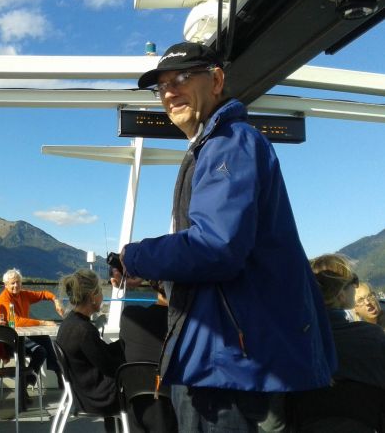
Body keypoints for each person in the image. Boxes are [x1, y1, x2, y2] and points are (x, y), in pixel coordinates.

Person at [118, 41, 337, 432]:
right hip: (227, 356)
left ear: (216, 80)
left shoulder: (229, 144)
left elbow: (215, 247)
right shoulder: (217, 144)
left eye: (182, 78)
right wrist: (153, 274)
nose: (169, 92)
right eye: (161, 86)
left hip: (228, 363)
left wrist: (133, 256)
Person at [287, 254, 385, 431]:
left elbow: (276, 414)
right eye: (353, 281)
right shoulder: (371, 337)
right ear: (341, 295)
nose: (356, 286)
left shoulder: (294, 344)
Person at [56, 269, 124, 433]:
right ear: (93, 296)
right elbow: (109, 367)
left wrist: (123, 343)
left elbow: (100, 353)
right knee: (139, 385)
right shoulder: (84, 330)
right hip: (95, 397)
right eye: (100, 291)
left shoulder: (69, 322)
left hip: (80, 390)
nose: (102, 296)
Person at [119, 281, 177, 433]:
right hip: (172, 412)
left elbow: (122, 349)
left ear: (154, 286)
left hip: (135, 410)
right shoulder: (181, 325)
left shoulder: (129, 316)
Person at [0, 268, 64, 387]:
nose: (16, 285)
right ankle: (26, 384)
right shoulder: (4, 298)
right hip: (7, 341)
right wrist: (43, 322)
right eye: (12, 283)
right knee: (41, 350)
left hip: (20, 336)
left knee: (45, 341)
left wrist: (55, 300)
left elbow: (43, 294)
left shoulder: (23, 294)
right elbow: (16, 322)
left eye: (18, 282)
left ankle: (56, 372)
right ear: (5, 285)